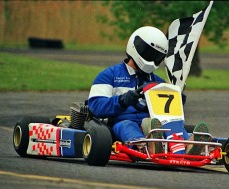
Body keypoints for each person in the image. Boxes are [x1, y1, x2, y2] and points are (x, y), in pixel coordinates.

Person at [88, 26, 209, 155]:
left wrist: (177, 101)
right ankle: (146, 146)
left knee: (172, 125)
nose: (152, 59)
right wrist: (122, 101)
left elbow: (166, 112)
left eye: (156, 56)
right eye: (149, 54)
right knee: (127, 126)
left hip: (153, 124)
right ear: (137, 47)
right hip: (120, 122)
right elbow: (95, 106)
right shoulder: (109, 75)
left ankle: (189, 145)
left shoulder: (159, 82)